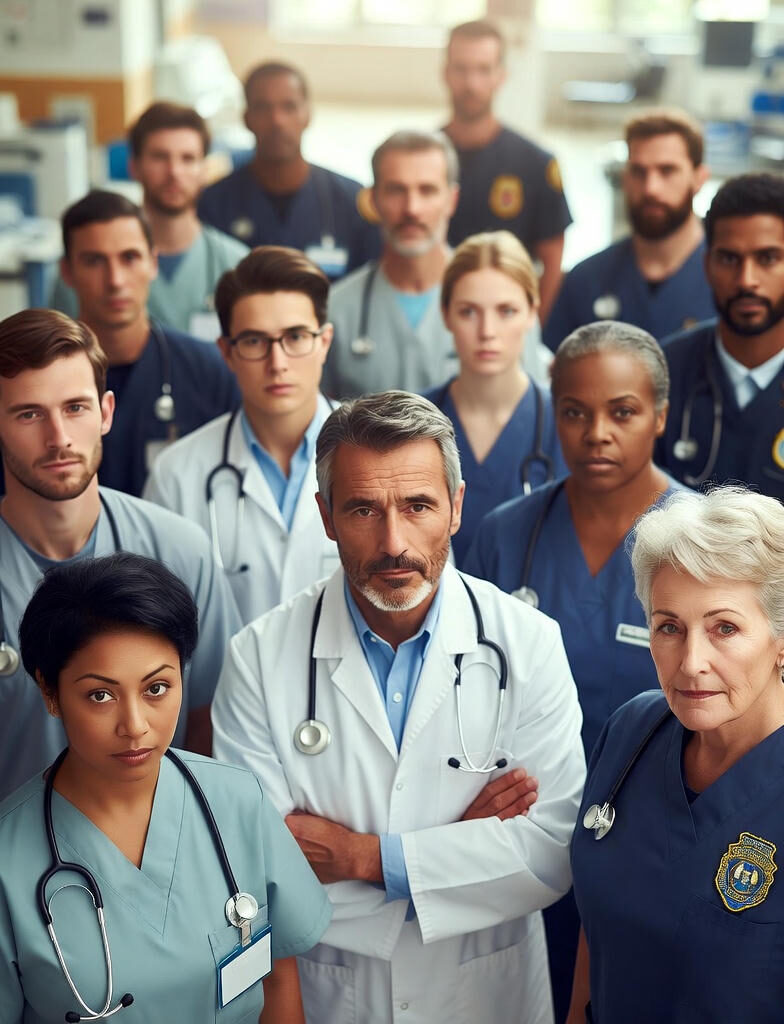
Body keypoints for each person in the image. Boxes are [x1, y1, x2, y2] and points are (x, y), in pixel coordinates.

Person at [212, 390, 586, 1024]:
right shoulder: (258, 658)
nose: (393, 541)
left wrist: (363, 858)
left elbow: (550, 853)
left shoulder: (528, 643)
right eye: (363, 509)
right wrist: (458, 852)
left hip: (484, 998)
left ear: (456, 507)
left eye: (418, 506)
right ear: (326, 515)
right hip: (332, 999)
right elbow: (261, 875)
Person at [0, 551, 331, 1023]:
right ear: (50, 693)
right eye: (100, 695)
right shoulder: (8, 861)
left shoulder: (238, 801)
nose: (135, 726)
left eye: (156, 688)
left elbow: (277, 979)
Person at [464, 321, 679, 1023]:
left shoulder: (701, 543)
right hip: (518, 828)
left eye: (623, 412)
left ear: (660, 416)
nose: (597, 434)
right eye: (576, 413)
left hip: (653, 834)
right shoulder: (506, 533)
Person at [0, 309, 241, 800]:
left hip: (160, 838)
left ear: (106, 412)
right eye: (29, 414)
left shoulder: (181, 551)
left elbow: (212, 720)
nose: (58, 437)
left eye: (75, 408)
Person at [569, 486, 784, 1024]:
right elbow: (600, 930)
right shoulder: (631, 731)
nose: (690, 662)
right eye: (669, 627)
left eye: (724, 628)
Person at [144, 246, 340, 625]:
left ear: (324, 342)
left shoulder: (381, 456)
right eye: (254, 341)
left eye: (296, 336)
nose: (277, 363)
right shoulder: (176, 475)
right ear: (226, 352)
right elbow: (155, 621)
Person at [324, 130, 550, 399]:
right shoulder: (337, 310)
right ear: (373, 200)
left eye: (427, 190)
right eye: (396, 190)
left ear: (451, 200)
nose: (412, 209)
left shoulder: (508, 302)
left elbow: (533, 409)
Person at [59, 190, 239, 496]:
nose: (115, 280)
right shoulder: (36, 381)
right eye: (94, 261)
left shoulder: (211, 373)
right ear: (67, 272)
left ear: (153, 263)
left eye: (129, 258)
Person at [424, 231, 566, 566]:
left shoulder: (566, 425)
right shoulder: (413, 425)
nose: (487, 331)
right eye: (468, 312)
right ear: (446, 315)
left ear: (532, 313)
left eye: (506, 311)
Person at [50, 102, 249, 339]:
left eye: (187, 159)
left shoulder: (236, 265)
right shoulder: (86, 267)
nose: (174, 172)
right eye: (159, 157)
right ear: (134, 167)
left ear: (204, 169)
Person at [656, 173, 784, 501]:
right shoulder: (663, 373)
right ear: (707, 265)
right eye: (729, 258)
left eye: (768, 258)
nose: (747, 280)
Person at [544, 109, 714, 350]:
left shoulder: (729, 278)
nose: (651, 188)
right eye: (638, 172)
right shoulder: (586, 281)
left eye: (667, 171)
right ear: (625, 178)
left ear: (699, 178)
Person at [198, 61, 379, 279]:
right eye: (263, 108)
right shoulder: (213, 204)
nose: (277, 120)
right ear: (246, 118)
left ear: (307, 115)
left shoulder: (352, 201)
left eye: (289, 107)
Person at [443, 20, 572, 322]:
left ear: (501, 75)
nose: (471, 83)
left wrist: (530, 330)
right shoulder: (423, 162)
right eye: (461, 69)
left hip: (508, 322)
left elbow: (552, 261)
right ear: (445, 72)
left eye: (483, 69)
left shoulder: (536, 163)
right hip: (437, 317)